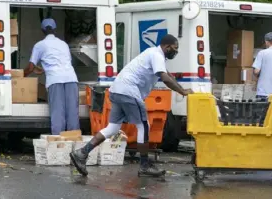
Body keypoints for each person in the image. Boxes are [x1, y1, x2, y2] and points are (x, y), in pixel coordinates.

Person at [70, 34, 193, 177]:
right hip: (129, 91)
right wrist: (182, 91)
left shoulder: (153, 54)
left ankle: (81, 153)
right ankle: (145, 165)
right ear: (167, 46)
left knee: (113, 127)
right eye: (175, 48)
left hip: (117, 90)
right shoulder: (156, 55)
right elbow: (165, 78)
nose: (175, 52)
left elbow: (167, 75)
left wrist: (183, 88)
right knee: (143, 126)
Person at [24, 18, 79, 135]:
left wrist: (19, 76)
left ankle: (59, 143)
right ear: (55, 30)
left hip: (55, 80)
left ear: (42, 30)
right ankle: (74, 140)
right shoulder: (63, 44)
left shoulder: (40, 45)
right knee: (72, 113)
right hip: (71, 78)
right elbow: (64, 62)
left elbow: (30, 67)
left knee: (58, 112)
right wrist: (44, 68)